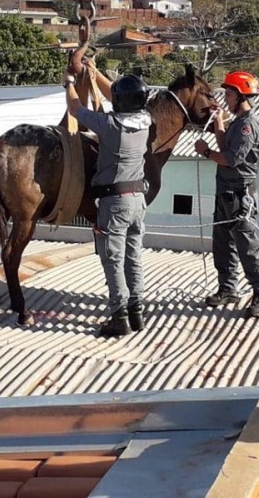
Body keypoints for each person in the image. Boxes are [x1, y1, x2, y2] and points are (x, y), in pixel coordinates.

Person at [64, 69, 150, 338]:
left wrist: (69, 83)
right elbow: (114, 94)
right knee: (133, 257)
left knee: (113, 260)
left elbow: (75, 107)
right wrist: (94, 71)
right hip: (138, 201)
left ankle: (119, 316)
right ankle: (136, 312)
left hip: (114, 204)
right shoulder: (146, 121)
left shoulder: (109, 126)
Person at [194, 71, 259, 318]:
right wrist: (218, 123)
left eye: (228, 93)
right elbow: (225, 144)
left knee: (247, 246)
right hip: (226, 192)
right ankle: (228, 289)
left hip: (240, 195)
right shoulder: (237, 121)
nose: (225, 98)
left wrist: (205, 152)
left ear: (240, 95)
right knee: (223, 243)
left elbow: (230, 159)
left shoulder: (248, 125)